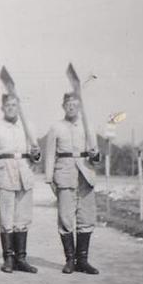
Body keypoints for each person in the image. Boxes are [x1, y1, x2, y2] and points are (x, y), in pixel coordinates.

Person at [0, 94, 42, 274]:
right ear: (2, 107)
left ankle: (21, 259)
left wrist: (36, 154)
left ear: (19, 107)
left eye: (14, 105)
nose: (11, 108)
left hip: (24, 174)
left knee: (22, 218)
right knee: (6, 219)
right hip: (4, 174)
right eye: (7, 105)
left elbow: (35, 155)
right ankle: (8, 258)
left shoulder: (28, 126)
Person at [44, 92, 102, 274]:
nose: (71, 107)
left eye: (75, 105)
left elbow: (96, 155)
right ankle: (70, 260)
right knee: (65, 218)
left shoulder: (88, 126)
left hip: (85, 175)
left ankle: (82, 261)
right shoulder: (56, 127)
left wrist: (95, 156)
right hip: (64, 174)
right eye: (68, 104)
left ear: (80, 107)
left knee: (86, 217)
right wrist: (49, 178)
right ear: (63, 106)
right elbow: (50, 155)